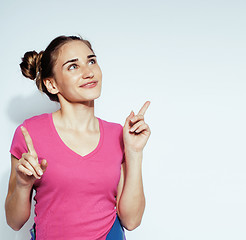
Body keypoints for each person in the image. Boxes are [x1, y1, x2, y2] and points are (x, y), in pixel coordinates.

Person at [5, 35, 151, 240]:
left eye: (91, 61)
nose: (88, 72)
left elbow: (132, 220)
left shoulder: (118, 134)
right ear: (52, 84)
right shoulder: (29, 133)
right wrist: (23, 185)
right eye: (73, 66)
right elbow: (14, 221)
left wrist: (134, 153)